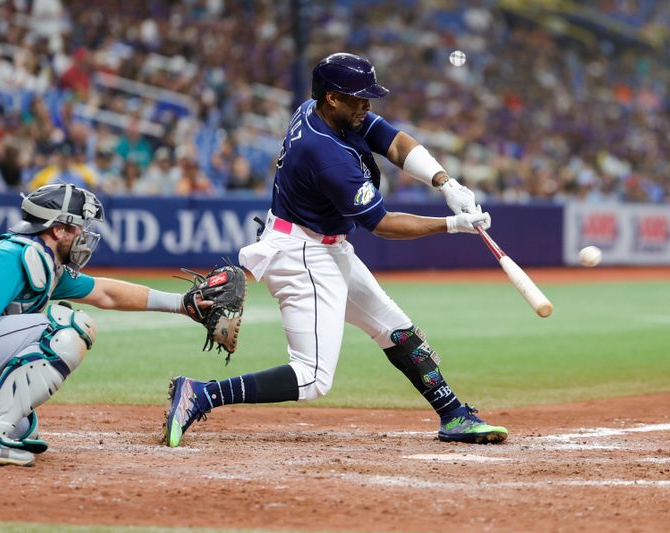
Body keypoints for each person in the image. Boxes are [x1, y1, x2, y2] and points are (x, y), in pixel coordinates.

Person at [164, 52, 508, 447]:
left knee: (397, 330)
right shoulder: (324, 150)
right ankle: (201, 393)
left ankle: (454, 416)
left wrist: (445, 183)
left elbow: (394, 142)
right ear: (332, 97)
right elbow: (380, 223)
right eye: (359, 98)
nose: (367, 105)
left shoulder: (327, 112)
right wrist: (451, 225)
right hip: (302, 254)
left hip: (324, 245)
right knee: (311, 377)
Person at [0, 183, 209, 466]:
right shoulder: (12, 257)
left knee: (20, 425)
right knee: (68, 328)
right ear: (58, 229)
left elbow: (105, 293)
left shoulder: (40, 259)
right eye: (78, 226)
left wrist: (182, 303)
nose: (83, 234)